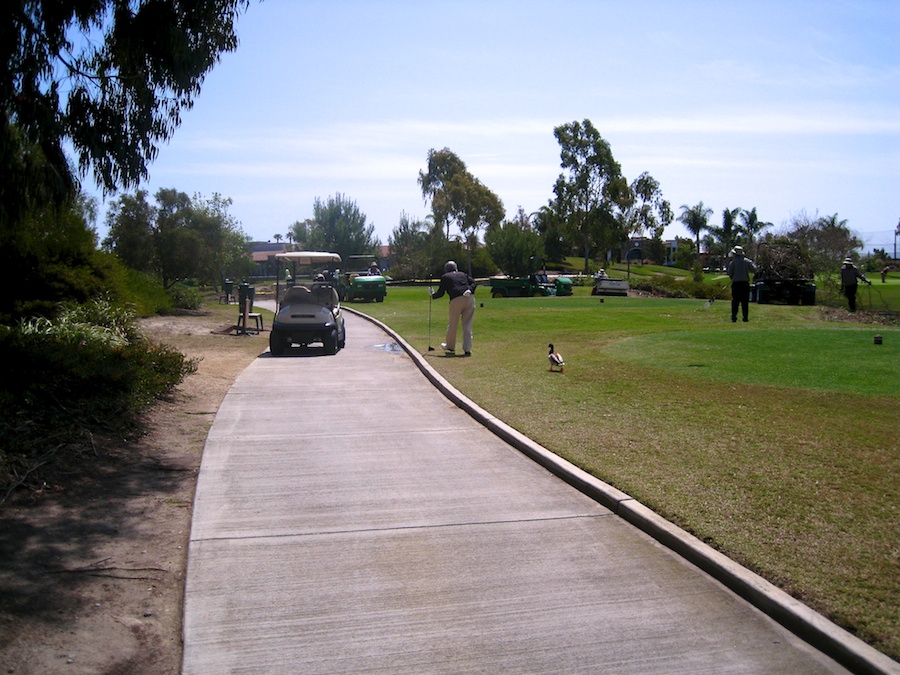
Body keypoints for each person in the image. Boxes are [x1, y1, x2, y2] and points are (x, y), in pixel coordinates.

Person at [431, 260, 476, 356]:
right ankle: (467, 349)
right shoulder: (463, 274)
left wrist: (432, 295)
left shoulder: (445, 277)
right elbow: (473, 283)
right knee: (467, 325)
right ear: (456, 268)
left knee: (453, 323)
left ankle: (450, 346)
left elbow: (441, 293)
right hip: (469, 297)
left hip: (456, 299)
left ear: (446, 270)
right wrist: (469, 290)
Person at [726, 245, 757, 323]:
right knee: (745, 302)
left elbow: (730, 274)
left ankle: (734, 317)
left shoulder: (732, 263)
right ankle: (745, 317)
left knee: (735, 301)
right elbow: (755, 269)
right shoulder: (747, 261)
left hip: (736, 284)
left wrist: (734, 277)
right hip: (745, 284)